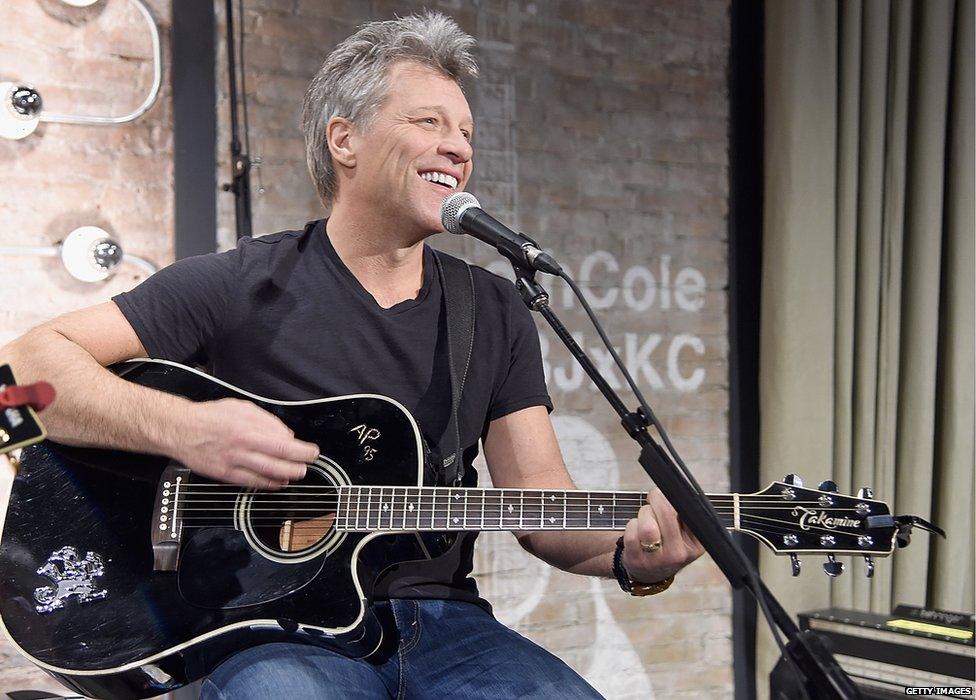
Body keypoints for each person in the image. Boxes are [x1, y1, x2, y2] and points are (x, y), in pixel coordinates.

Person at [1, 12, 704, 698]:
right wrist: (185, 430)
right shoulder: (242, 283)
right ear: (345, 139)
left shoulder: (491, 310)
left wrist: (633, 558)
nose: (457, 147)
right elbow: (21, 376)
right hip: (259, 628)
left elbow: (542, 510)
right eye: (428, 122)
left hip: (444, 624)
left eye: (465, 132)